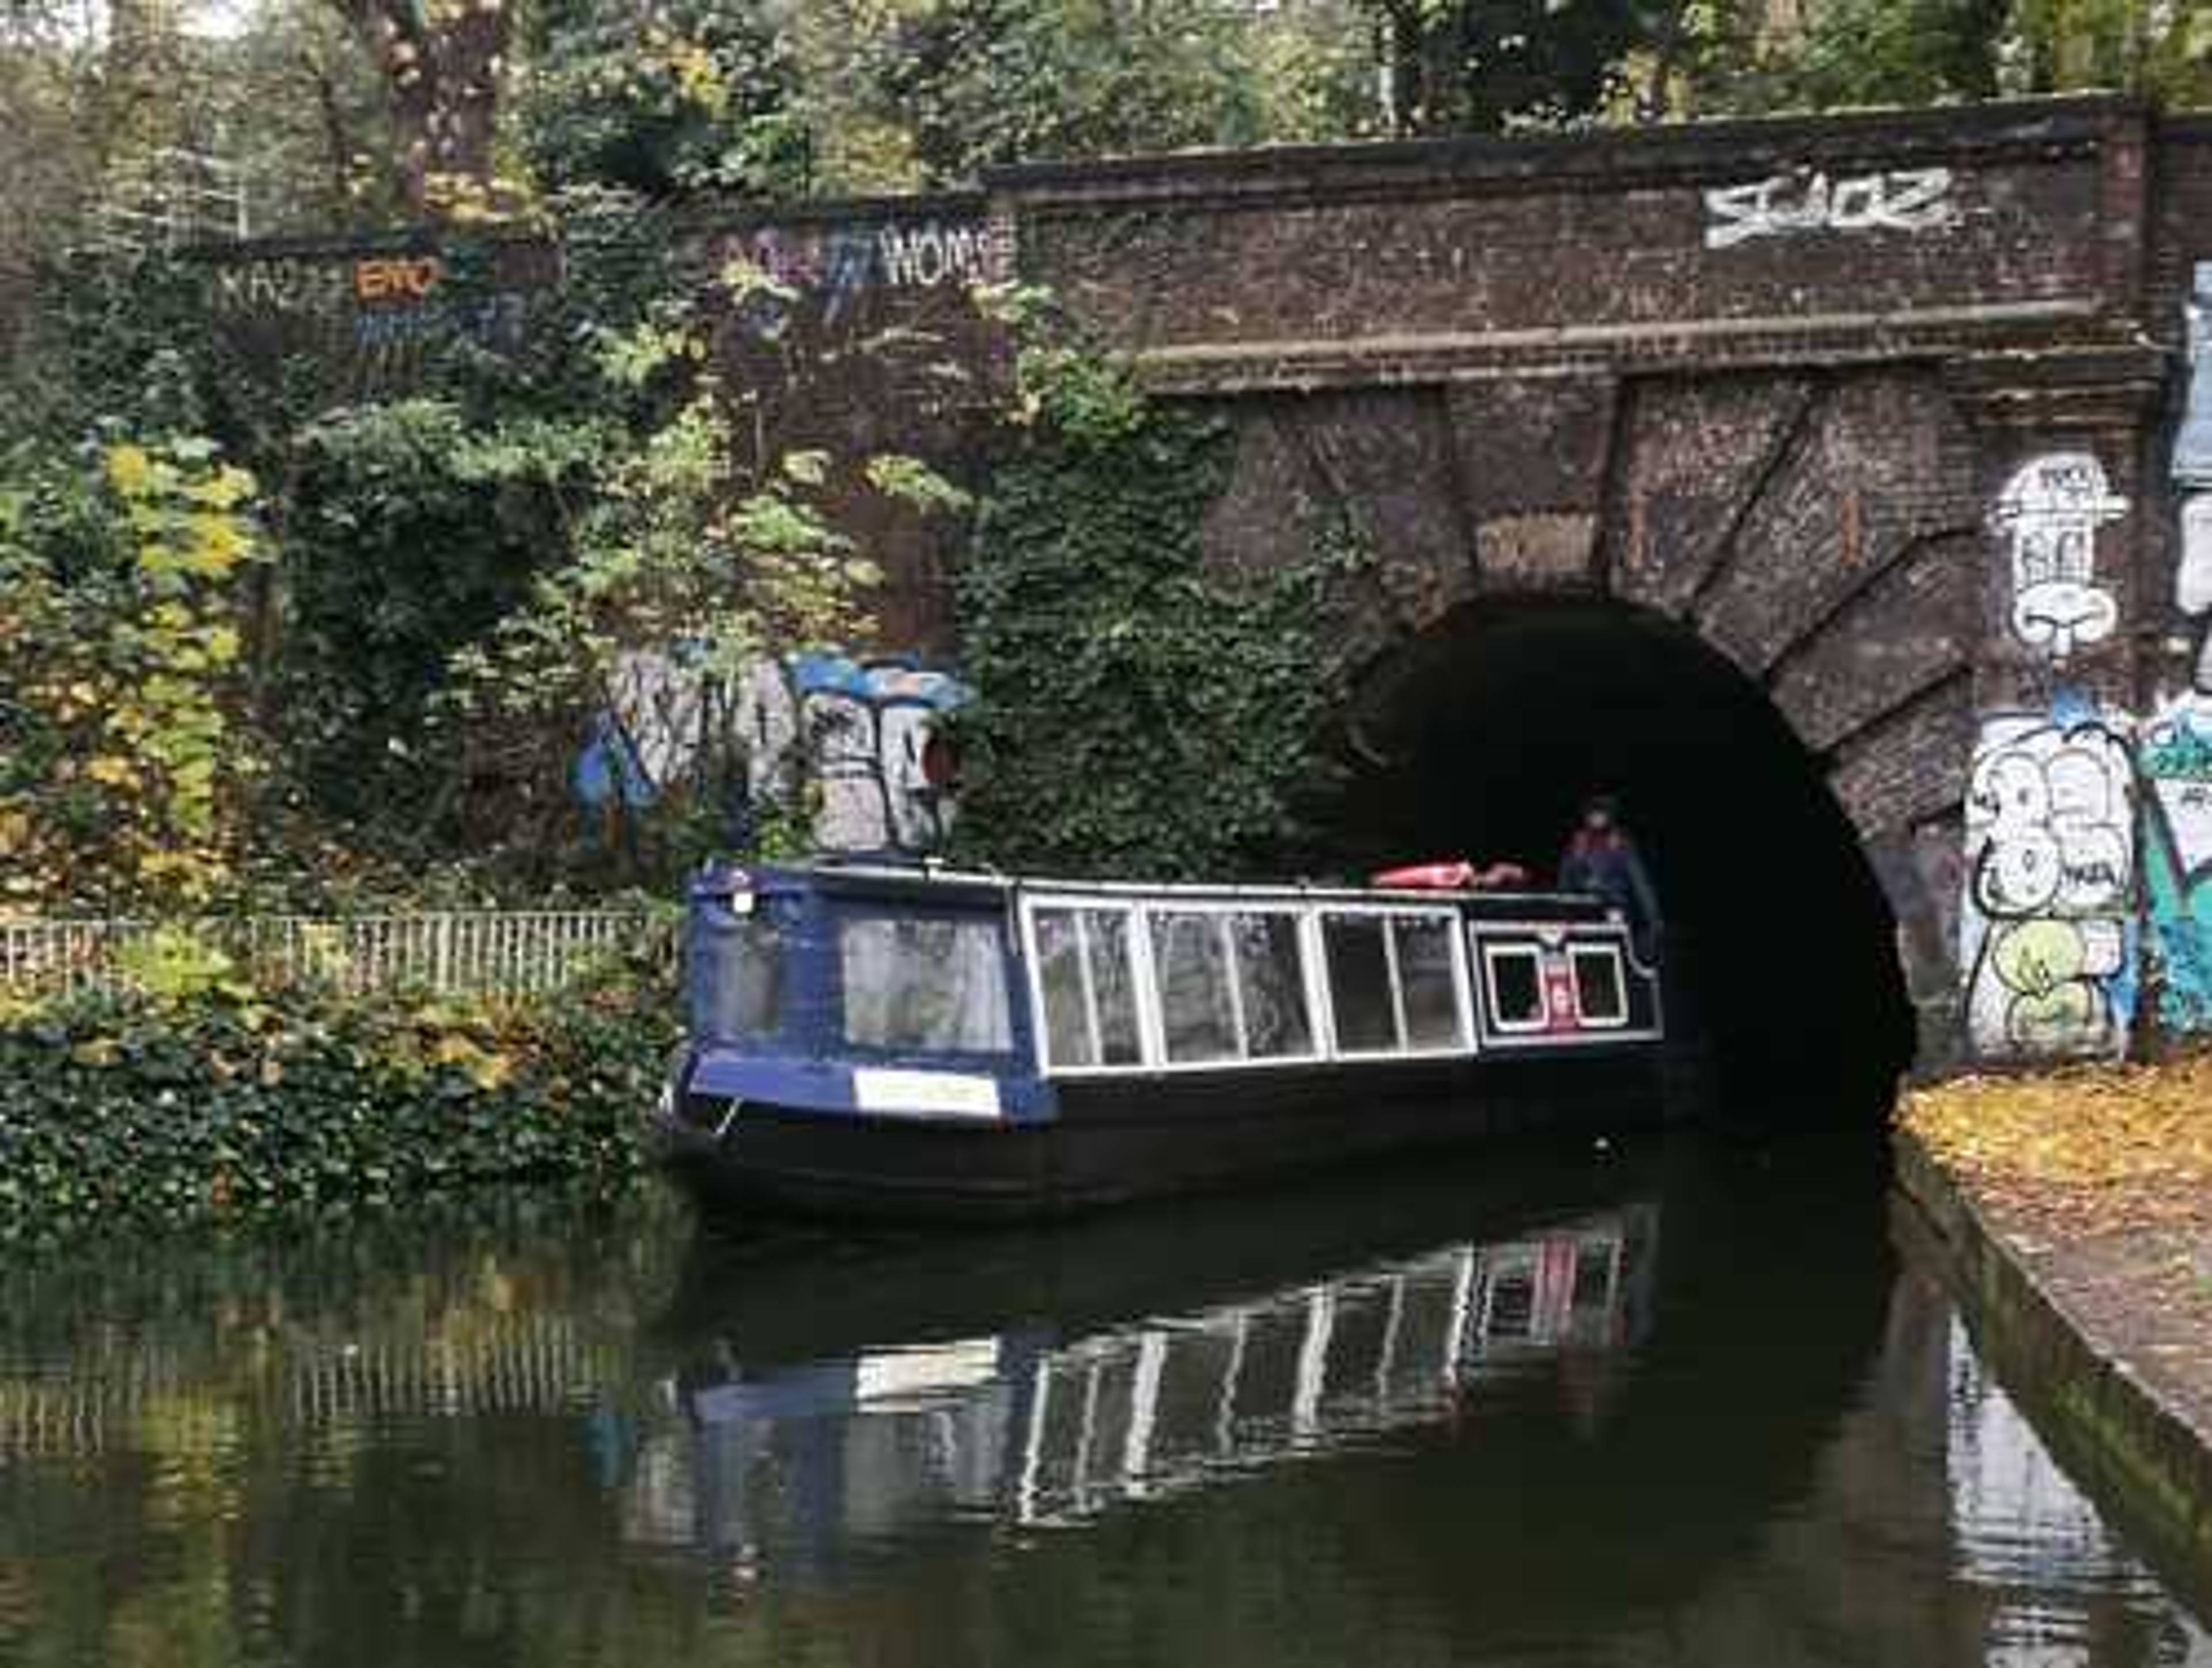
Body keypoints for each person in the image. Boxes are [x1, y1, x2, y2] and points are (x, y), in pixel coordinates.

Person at [1558, 794, 1661, 960]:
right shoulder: (1578, 843)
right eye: (1593, 813)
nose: (1596, 817)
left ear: (1609, 816)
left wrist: (1654, 922)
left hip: (1615, 907)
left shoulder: (1621, 842)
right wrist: (1560, 913)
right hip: (1582, 910)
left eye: (1601, 813)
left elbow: (1640, 883)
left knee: (1617, 943)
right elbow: (1564, 882)